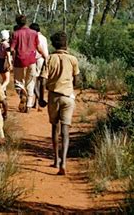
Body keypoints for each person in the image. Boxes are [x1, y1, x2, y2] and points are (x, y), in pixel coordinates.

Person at [38, 31, 79, 176]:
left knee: (55, 127)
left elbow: (42, 80)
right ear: (66, 44)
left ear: (53, 44)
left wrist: (41, 98)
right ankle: (64, 162)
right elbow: (76, 80)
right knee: (65, 131)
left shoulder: (49, 59)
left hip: (54, 97)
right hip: (68, 96)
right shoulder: (73, 59)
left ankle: (56, 159)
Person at [11, 15, 48, 113]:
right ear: (26, 22)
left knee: (18, 82)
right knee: (31, 82)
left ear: (17, 22)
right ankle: (28, 105)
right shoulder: (34, 33)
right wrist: (45, 56)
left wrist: (10, 56)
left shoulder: (15, 34)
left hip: (19, 61)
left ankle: (21, 92)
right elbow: (39, 47)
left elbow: (12, 49)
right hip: (32, 61)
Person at [29, 23, 49, 111]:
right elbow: (45, 50)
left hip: (34, 59)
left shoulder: (33, 37)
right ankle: (37, 101)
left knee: (33, 80)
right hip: (43, 59)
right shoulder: (44, 38)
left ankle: (38, 99)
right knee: (40, 81)